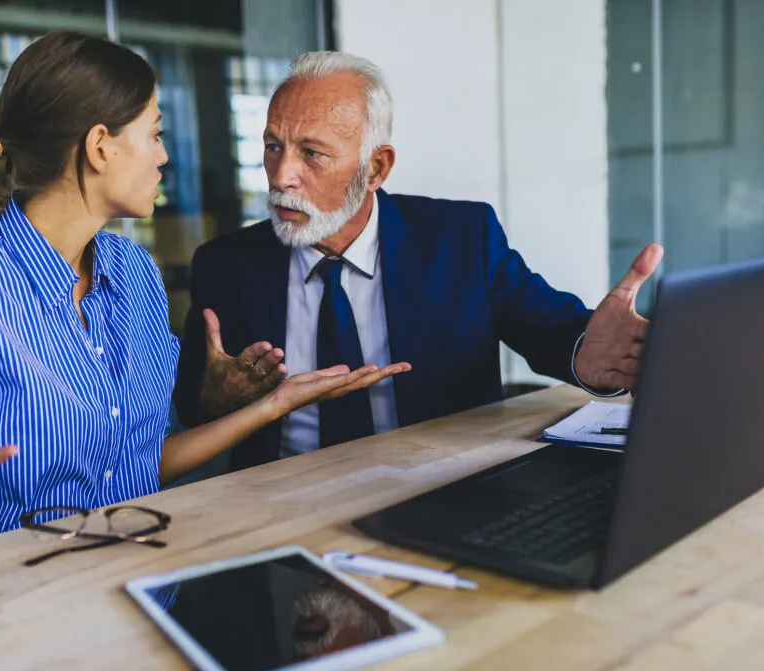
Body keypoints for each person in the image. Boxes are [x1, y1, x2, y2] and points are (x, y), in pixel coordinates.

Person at [0, 32, 407, 559]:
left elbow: (137, 466)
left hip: (145, 582)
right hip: (18, 619)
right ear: (101, 147)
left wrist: (273, 405)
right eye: (153, 134)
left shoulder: (134, 272)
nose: (163, 156)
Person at [174, 51, 663, 471]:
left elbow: (547, 326)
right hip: (277, 516)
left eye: (312, 153)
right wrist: (217, 399)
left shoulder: (461, 239)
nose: (282, 176)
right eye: (273, 147)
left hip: (436, 498)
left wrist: (586, 351)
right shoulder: (225, 265)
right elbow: (195, 408)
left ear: (376, 168)